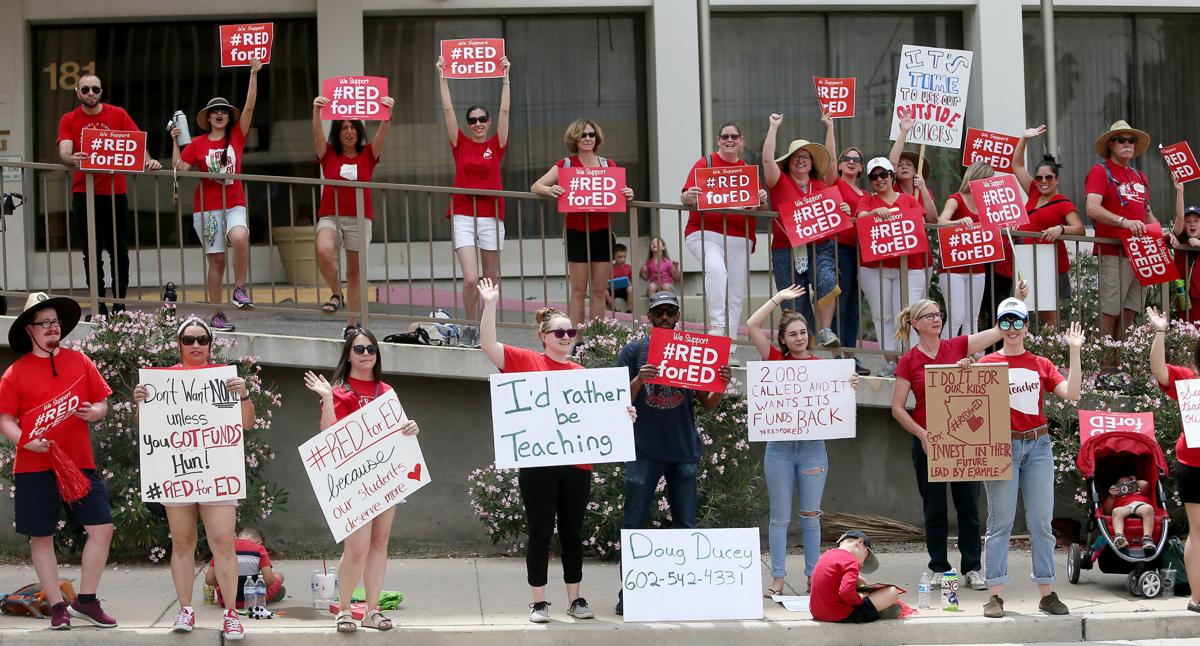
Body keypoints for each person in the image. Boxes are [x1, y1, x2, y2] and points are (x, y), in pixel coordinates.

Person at [477, 277, 629, 623]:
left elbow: (598, 416)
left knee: (574, 531)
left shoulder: (582, 372)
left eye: (570, 333)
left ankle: (575, 599)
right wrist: (490, 304)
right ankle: (539, 601)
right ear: (543, 337)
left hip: (577, 464)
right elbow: (488, 345)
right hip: (538, 462)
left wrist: (624, 414)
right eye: (559, 333)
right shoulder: (525, 361)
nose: (565, 338)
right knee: (541, 528)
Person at [133, 315, 257, 638]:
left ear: (210, 345)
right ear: (179, 345)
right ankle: (185, 609)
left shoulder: (225, 380)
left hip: (216, 473)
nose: (196, 345)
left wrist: (243, 395)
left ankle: (231, 614)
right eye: (189, 339)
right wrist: (140, 403)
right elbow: (148, 426)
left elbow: (246, 424)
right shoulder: (163, 381)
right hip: (179, 474)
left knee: (223, 543)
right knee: (183, 542)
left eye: (202, 339)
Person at [0, 293, 115, 630]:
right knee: (41, 537)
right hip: (34, 466)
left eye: (55, 322)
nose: (52, 328)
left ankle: (86, 601)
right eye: (44, 323)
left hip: (79, 463)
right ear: (29, 330)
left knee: (102, 529)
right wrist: (25, 440)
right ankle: (56, 607)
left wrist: (94, 412)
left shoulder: (80, 362)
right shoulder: (15, 373)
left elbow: (102, 404)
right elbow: (5, 418)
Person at [614, 290, 732, 615]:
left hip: (682, 449)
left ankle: (683, 589)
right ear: (649, 316)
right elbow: (616, 398)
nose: (664, 317)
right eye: (659, 312)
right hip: (644, 449)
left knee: (685, 524)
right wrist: (639, 379)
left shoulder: (693, 351)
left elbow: (707, 405)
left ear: (678, 315)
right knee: (634, 521)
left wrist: (720, 385)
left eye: (670, 312)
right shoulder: (634, 350)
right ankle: (631, 591)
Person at [302, 327, 419, 632]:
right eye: (359, 349)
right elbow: (328, 435)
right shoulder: (340, 391)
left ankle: (372, 608)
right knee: (357, 547)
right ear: (348, 354)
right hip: (354, 481)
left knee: (379, 543)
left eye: (371, 349)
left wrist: (411, 428)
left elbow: (397, 430)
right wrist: (327, 398)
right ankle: (343, 609)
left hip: (386, 477)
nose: (366, 354)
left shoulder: (386, 391)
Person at [889, 297, 1009, 593]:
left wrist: (1016, 302)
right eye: (929, 316)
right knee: (934, 509)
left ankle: (972, 568)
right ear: (915, 324)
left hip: (964, 443)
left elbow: (997, 332)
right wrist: (922, 434)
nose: (936, 319)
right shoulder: (909, 361)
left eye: (938, 314)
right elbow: (898, 408)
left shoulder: (957, 346)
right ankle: (938, 566)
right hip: (929, 444)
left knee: (969, 507)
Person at [747, 285, 858, 596]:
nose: (798, 337)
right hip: (779, 450)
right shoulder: (773, 361)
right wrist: (778, 299)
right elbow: (752, 325)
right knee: (779, 518)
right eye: (792, 334)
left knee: (811, 516)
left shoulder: (824, 369)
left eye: (803, 332)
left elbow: (838, 400)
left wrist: (849, 384)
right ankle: (778, 579)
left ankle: (814, 577)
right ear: (783, 339)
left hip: (812, 450)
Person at [977, 298, 1082, 618]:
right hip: (1001, 447)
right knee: (1000, 523)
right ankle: (994, 595)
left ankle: (1047, 593)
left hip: (1038, 446)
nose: (1011, 329)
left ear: (1026, 326)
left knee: (1041, 522)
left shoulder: (1040, 363)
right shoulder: (986, 364)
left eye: (1017, 322)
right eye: (1005, 322)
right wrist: (964, 368)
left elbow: (1072, 393)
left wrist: (1075, 351)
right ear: (998, 326)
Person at [57, 73, 162, 317]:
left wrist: (149, 161)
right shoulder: (69, 119)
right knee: (90, 253)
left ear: (101, 91)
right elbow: (64, 151)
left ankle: (119, 305)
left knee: (119, 251)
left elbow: (136, 144)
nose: (91, 93)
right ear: (78, 93)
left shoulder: (118, 114)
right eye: (86, 90)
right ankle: (98, 306)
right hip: (84, 193)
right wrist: (72, 158)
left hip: (116, 193)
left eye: (95, 89)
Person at [170, 58, 262, 332]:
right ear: (208, 118)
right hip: (207, 208)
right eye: (214, 111)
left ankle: (240, 288)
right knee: (217, 261)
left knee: (240, 236)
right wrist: (175, 141)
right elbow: (179, 169)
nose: (219, 114)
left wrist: (253, 74)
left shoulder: (236, 136)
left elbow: (249, 106)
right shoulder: (196, 143)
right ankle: (216, 314)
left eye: (223, 110)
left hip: (234, 202)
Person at [436, 55, 511, 347]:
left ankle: (485, 329)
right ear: (467, 124)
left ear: (488, 122)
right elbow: (446, 108)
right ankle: (469, 327)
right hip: (464, 214)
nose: (478, 124)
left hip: (491, 214)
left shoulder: (497, 143)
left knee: (490, 279)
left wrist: (506, 77)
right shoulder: (460, 143)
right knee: (471, 278)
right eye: (473, 120)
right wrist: (443, 76)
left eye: (482, 119)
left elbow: (506, 109)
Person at [531, 119, 635, 324]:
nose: (588, 138)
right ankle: (575, 339)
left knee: (599, 290)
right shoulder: (566, 164)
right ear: (575, 138)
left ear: (596, 138)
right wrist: (550, 190)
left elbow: (620, 194)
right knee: (578, 290)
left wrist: (628, 193)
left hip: (603, 232)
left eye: (591, 134)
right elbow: (536, 186)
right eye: (583, 135)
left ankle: (597, 340)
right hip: (576, 232)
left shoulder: (607, 164)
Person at [311, 94, 396, 337]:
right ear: (337, 133)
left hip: (360, 218)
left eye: (352, 127)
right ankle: (336, 293)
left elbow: (382, 133)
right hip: (331, 215)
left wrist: (387, 113)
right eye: (343, 127)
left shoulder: (368, 154)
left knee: (355, 273)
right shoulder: (328, 154)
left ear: (359, 131)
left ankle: (351, 324)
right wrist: (316, 111)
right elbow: (317, 134)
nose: (349, 131)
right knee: (324, 250)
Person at [681, 122, 769, 338]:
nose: (730, 140)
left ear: (741, 141)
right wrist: (688, 196)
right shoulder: (705, 162)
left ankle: (730, 350)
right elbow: (684, 197)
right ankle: (718, 326)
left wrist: (762, 200)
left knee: (735, 295)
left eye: (734, 137)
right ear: (718, 140)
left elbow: (757, 207)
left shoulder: (747, 170)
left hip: (740, 237)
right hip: (705, 232)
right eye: (725, 136)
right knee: (716, 269)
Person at [762, 114, 842, 347]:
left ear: (812, 161)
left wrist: (830, 127)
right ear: (788, 161)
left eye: (805, 157)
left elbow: (833, 162)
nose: (800, 161)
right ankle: (802, 347)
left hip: (820, 245)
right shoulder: (780, 180)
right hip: (786, 248)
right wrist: (773, 127)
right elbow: (767, 161)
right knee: (794, 301)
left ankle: (825, 331)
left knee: (827, 280)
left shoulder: (821, 183)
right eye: (795, 157)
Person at [857, 158, 936, 376]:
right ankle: (891, 361)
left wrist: (923, 191)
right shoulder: (867, 200)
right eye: (874, 177)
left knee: (909, 314)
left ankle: (910, 359)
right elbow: (861, 217)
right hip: (875, 268)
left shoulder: (909, 199)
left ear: (892, 176)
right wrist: (874, 214)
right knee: (882, 316)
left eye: (884, 175)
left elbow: (927, 219)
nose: (879, 180)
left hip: (909, 266)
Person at [1146, 305, 1200, 613]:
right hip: (1193, 464)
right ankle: (1197, 598)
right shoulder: (1188, 380)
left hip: (1190, 462)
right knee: (1197, 530)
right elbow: (1158, 369)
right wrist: (1160, 331)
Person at [1085, 120, 1156, 343]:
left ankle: (1123, 368)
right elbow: (1092, 208)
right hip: (1113, 250)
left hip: (1140, 252)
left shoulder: (1139, 176)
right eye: (1121, 140)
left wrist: (1162, 232)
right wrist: (1123, 221)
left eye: (1131, 140)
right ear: (1111, 145)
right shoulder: (1100, 171)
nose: (1127, 144)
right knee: (1111, 311)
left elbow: (1147, 214)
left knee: (1130, 311)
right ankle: (1105, 370)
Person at [1011, 125, 1085, 328]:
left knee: (1048, 316)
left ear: (1056, 180)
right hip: (1027, 260)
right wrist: (1024, 139)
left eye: (1048, 178)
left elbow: (1079, 229)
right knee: (1023, 311)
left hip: (1050, 263)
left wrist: (1060, 229)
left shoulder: (1063, 202)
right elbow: (1016, 165)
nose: (1043, 181)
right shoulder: (1034, 192)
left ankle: (1051, 355)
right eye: (1040, 177)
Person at [823, 112, 869, 375]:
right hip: (839, 249)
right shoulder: (836, 183)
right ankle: (837, 356)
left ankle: (850, 356)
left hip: (861, 254)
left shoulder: (867, 194)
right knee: (840, 302)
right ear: (840, 165)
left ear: (862, 168)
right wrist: (830, 127)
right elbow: (829, 158)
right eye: (846, 159)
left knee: (853, 307)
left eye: (856, 160)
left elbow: (890, 166)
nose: (851, 162)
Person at [937, 160, 997, 338]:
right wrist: (959, 222)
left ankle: (972, 357)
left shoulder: (987, 204)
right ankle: (945, 358)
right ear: (976, 178)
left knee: (971, 319)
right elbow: (941, 222)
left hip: (977, 266)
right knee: (955, 317)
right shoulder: (956, 199)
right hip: (953, 267)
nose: (989, 185)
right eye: (987, 180)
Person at [809, 530, 898, 624]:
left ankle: (877, 608)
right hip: (840, 615)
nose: (862, 564)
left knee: (864, 585)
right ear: (860, 542)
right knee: (892, 591)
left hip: (817, 613)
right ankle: (876, 611)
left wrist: (861, 581)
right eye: (866, 556)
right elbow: (846, 591)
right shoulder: (851, 561)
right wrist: (860, 600)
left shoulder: (826, 555)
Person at [205, 527, 286, 609]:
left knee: (221, 577)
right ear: (260, 543)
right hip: (254, 601)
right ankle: (272, 593)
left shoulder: (223, 548)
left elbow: (209, 580)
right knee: (278, 574)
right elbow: (269, 581)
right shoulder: (259, 549)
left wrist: (227, 583)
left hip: (227, 602)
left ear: (237, 537)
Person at [1170, 182, 1200, 322]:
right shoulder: (1180, 238)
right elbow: (1179, 216)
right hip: (1185, 296)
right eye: (1188, 221)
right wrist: (1180, 191)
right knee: (1188, 334)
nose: (1192, 224)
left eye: (1197, 221)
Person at [1102, 476, 1156, 552]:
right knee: (1116, 511)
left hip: (1140, 505)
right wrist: (1112, 497)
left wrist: (1134, 482)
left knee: (1148, 508)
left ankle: (1147, 538)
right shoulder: (1116, 496)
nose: (1125, 487)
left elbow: (1145, 484)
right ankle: (1119, 537)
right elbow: (1106, 512)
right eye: (1121, 485)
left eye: (1127, 484)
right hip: (1124, 507)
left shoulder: (1139, 491)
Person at [607, 243, 633, 313]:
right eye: (619, 257)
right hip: (612, 290)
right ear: (614, 257)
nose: (622, 259)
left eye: (624, 256)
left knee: (630, 289)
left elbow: (632, 281)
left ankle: (629, 310)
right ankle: (615, 309)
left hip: (624, 290)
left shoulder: (629, 267)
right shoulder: (610, 268)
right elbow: (607, 282)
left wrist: (630, 283)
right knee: (604, 292)